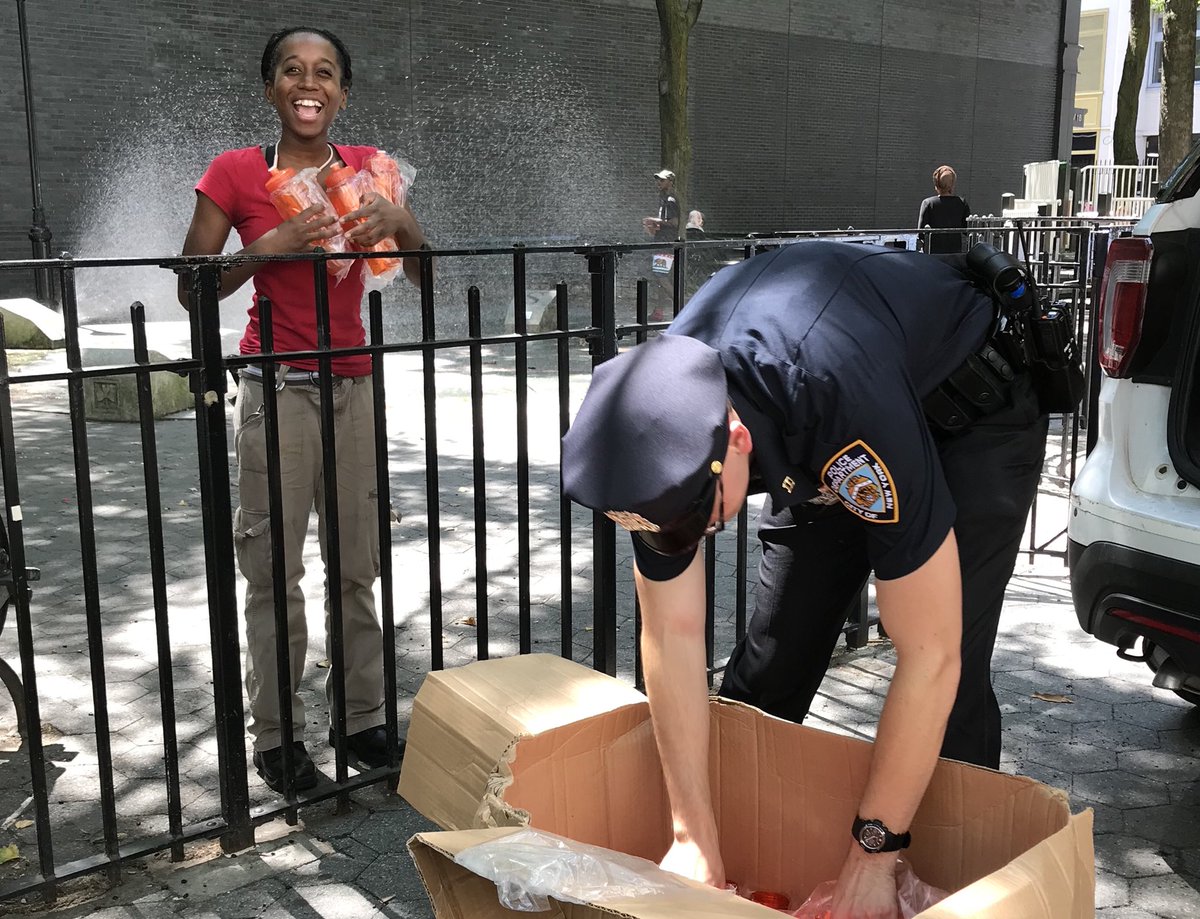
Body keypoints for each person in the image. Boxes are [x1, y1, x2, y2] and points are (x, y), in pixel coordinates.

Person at [561, 241, 1047, 917]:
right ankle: (739, 854)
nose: (682, 541)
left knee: (952, 678)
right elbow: (671, 635)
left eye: (696, 522)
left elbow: (930, 655)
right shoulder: (662, 422)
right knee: (773, 661)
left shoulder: (833, 402)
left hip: (968, 410)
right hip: (829, 416)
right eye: (658, 531)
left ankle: (942, 889)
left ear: (735, 442)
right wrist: (691, 834)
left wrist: (871, 855)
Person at [177, 26, 431, 793]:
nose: (308, 83)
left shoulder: (370, 170)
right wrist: (272, 243)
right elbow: (192, 286)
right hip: (277, 388)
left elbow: (422, 276)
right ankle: (278, 735)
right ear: (270, 88)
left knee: (357, 565)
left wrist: (403, 225)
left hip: (354, 386)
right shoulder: (235, 173)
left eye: (324, 72)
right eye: (292, 70)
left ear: (343, 93)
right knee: (273, 570)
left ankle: (362, 719)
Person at [641, 169, 680, 322]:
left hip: (665, 244)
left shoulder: (670, 200)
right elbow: (667, 223)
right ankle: (659, 311)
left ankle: (684, 308)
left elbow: (674, 223)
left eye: (662, 180)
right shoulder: (665, 199)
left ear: (670, 182)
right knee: (661, 279)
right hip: (662, 242)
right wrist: (656, 226)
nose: (659, 182)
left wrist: (655, 221)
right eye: (658, 179)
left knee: (661, 277)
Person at [917, 165, 972, 254]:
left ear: (936, 184)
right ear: (952, 184)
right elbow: (967, 230)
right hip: (955, 253)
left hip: (933, 254)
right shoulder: (961, 203)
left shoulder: (928, 203)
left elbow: (921, 234)